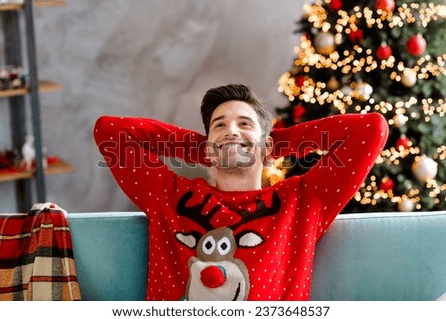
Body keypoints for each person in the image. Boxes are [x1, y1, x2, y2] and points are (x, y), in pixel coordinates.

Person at [94, 84, 388, 301]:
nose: (231, 131)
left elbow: (371, 129)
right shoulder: (169, 196)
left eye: (244, 124)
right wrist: (205, 149)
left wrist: (273, 146)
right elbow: (109, 131)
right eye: (218, 126)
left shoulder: (302, 201)